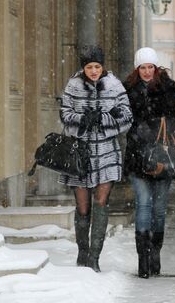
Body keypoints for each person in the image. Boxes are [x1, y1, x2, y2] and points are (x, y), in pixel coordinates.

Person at [60, 45, 133, 272]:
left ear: (103, 66)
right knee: (83, 207)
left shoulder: (114, 85)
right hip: (79, 154)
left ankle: (94, 258)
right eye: (90, 67)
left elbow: (127, 116)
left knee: (101, 202)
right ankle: (82, 253)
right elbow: (64, 113)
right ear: (84, 68)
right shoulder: (73, 85)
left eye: (97, 67)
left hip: (107, 153)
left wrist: (103, 120)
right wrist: (83, 120)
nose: (93, 71)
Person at [123, 47, 175, 279]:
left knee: (159, 210)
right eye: (142, 67)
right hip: (137, 156)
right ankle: (143, 257)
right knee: (143, 205)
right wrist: (139, 131)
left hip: (161, 156)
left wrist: (157, 127)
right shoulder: (127, 89)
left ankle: (155, 250)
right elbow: (124, 116)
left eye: (150, 67)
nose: (147, 72)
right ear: (137, 69)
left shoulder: (168, 87)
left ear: (156, 68)